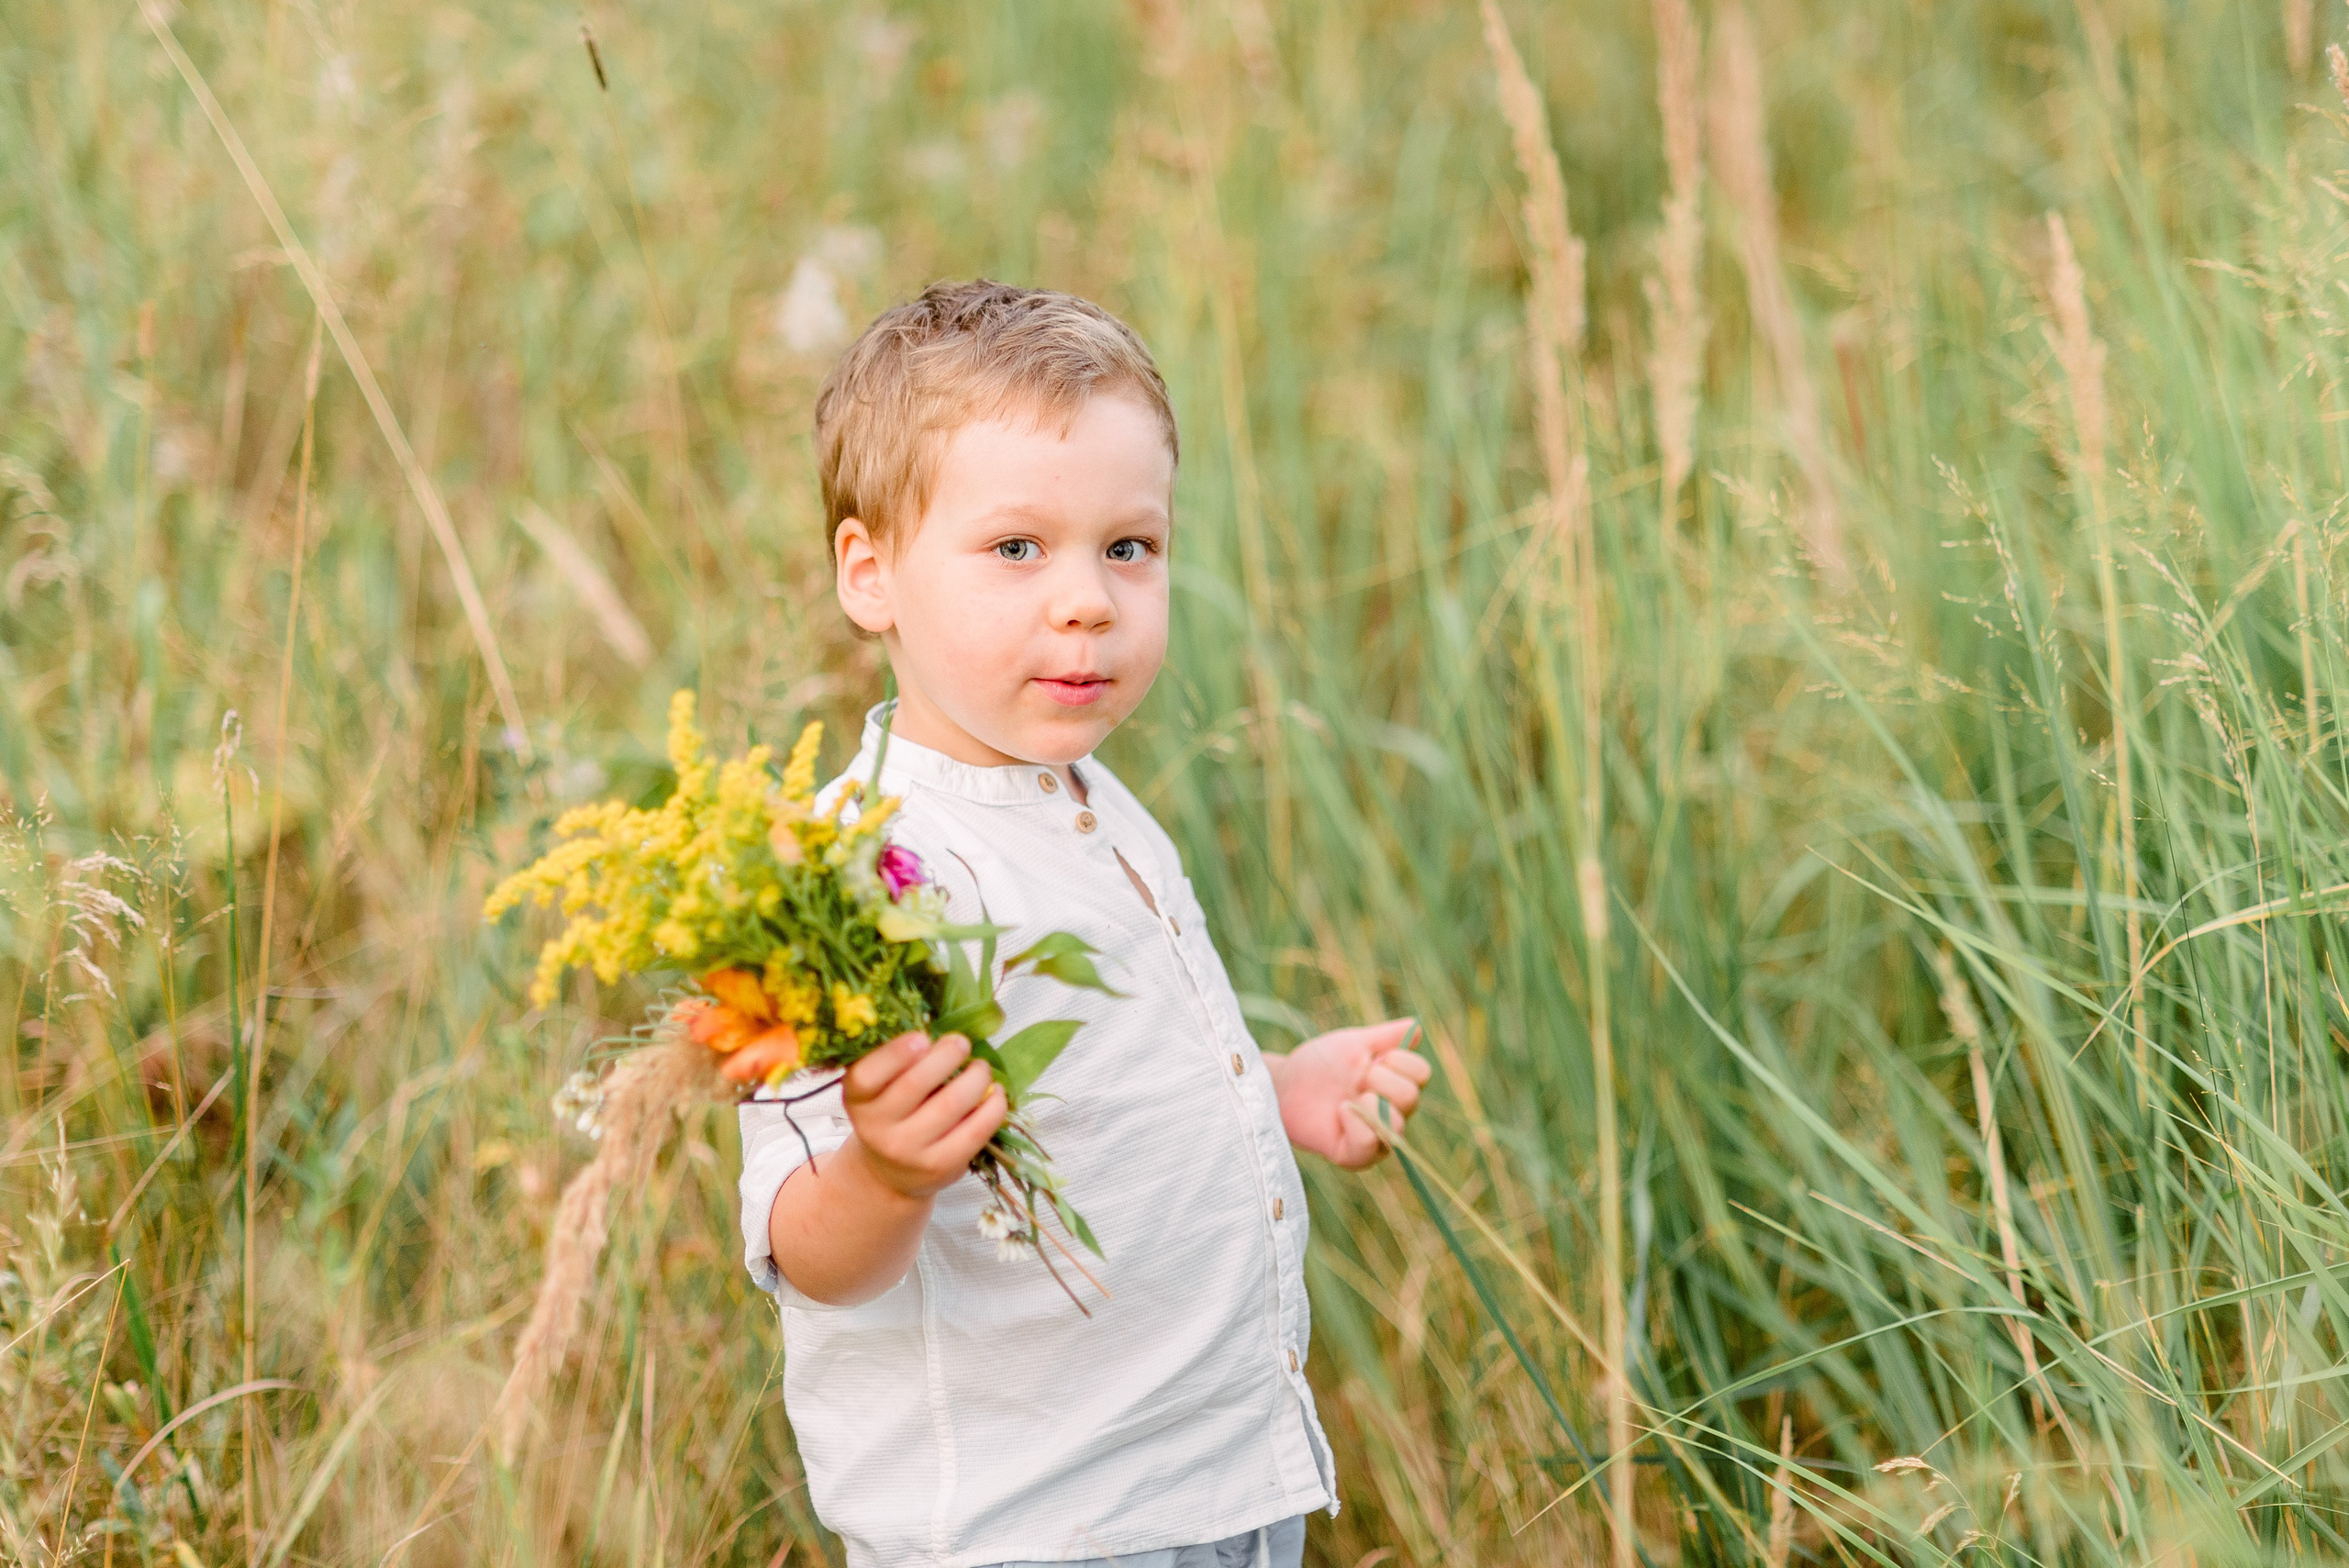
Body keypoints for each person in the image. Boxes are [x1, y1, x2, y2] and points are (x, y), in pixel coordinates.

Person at [726, 279, 1432, 1568]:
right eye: (1016, 549)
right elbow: (803, 1246)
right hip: (1035, 1524)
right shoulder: (851, 879)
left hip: (1217, 1482)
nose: (1089, 601)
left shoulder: (1091, 798)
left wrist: (1276, 1086)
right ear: (871, 573)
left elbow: (1104, 1075)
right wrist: (888, 1172)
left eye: (1128, 547)